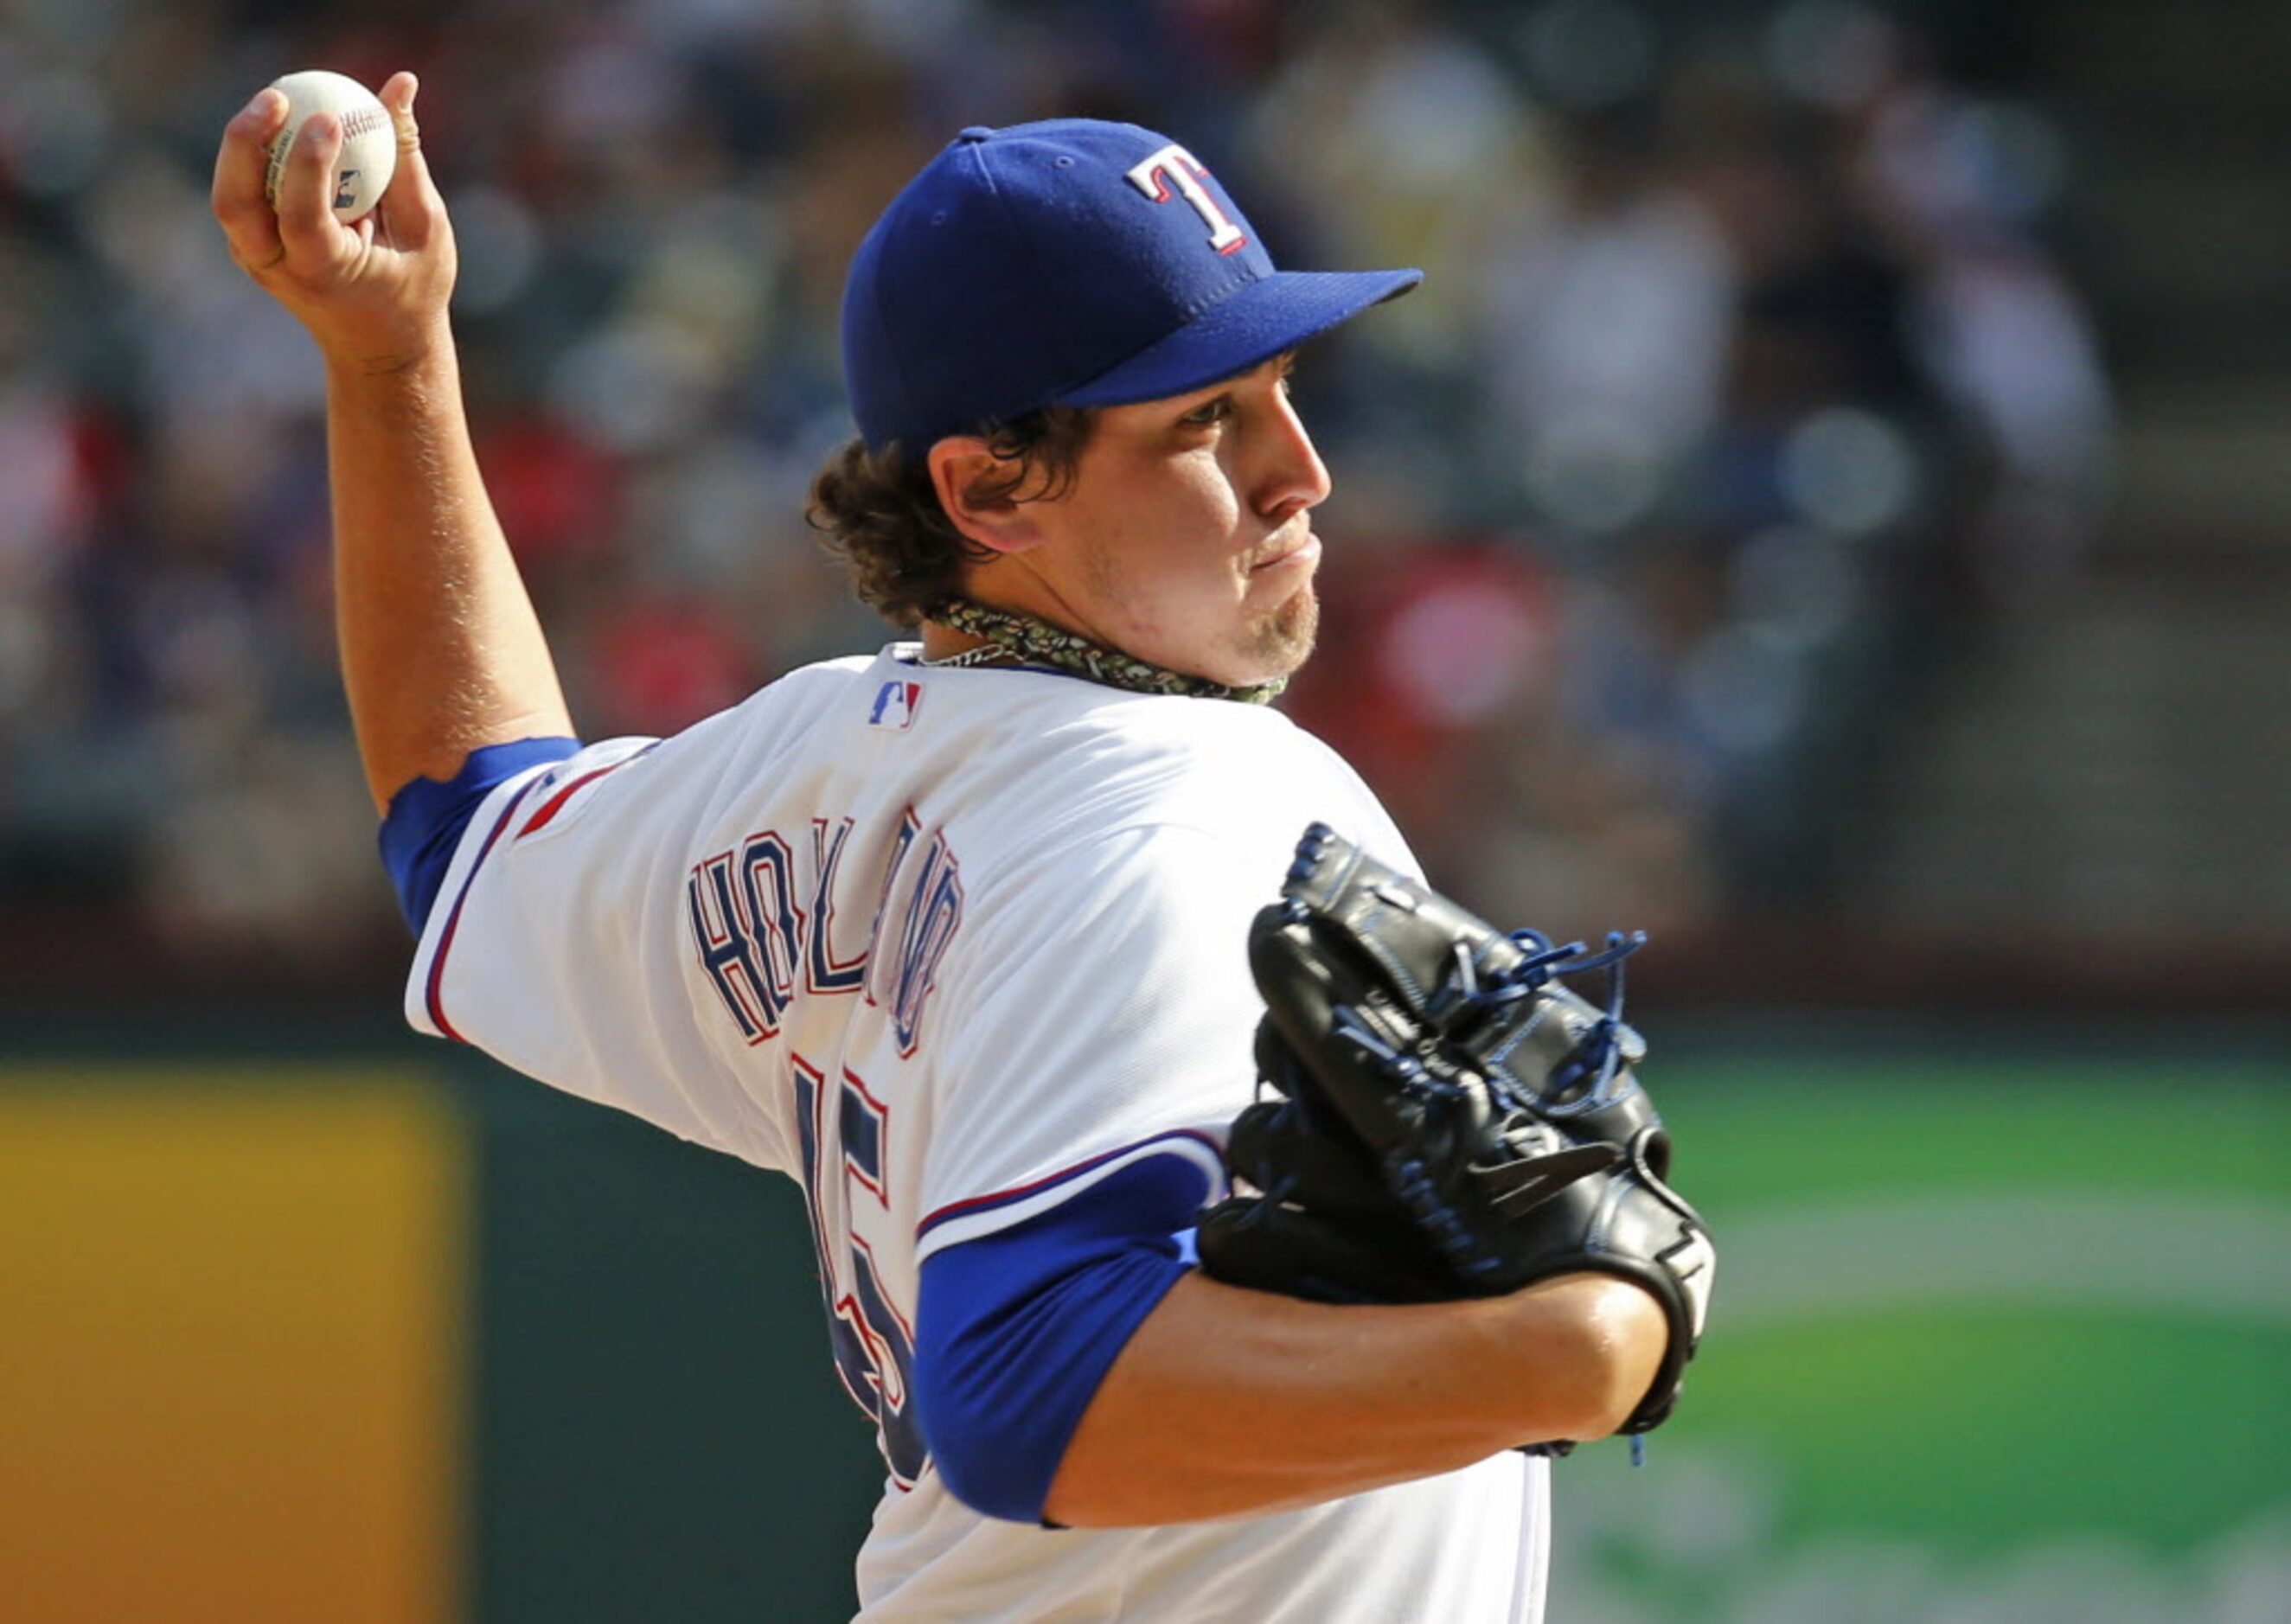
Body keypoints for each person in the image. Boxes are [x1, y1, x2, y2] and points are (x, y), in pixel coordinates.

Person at [213, 74, 1671, 1622]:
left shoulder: (826, 757)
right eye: (1204, 420)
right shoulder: (1176, 809)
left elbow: (469, 830)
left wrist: (388, 361)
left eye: (1283, 388)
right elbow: (1030, 1387)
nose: (1298, 471)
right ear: (987, 487)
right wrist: (1572, 1350)